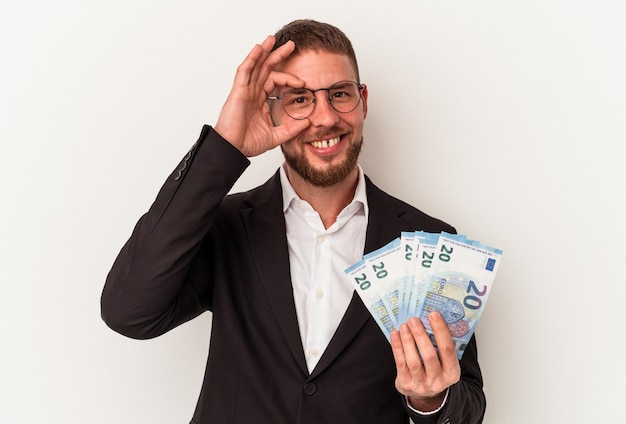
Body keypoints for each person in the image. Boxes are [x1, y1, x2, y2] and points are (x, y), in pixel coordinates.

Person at [101, 19, 486, 424]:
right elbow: (129, 312)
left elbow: (468, 404)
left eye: (340, 94)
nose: (324, 118)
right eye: (300, 99)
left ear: (364, 100)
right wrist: (225, 143)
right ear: (269, 110)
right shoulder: (227, 226)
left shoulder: (427, 242)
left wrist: (430, 401)